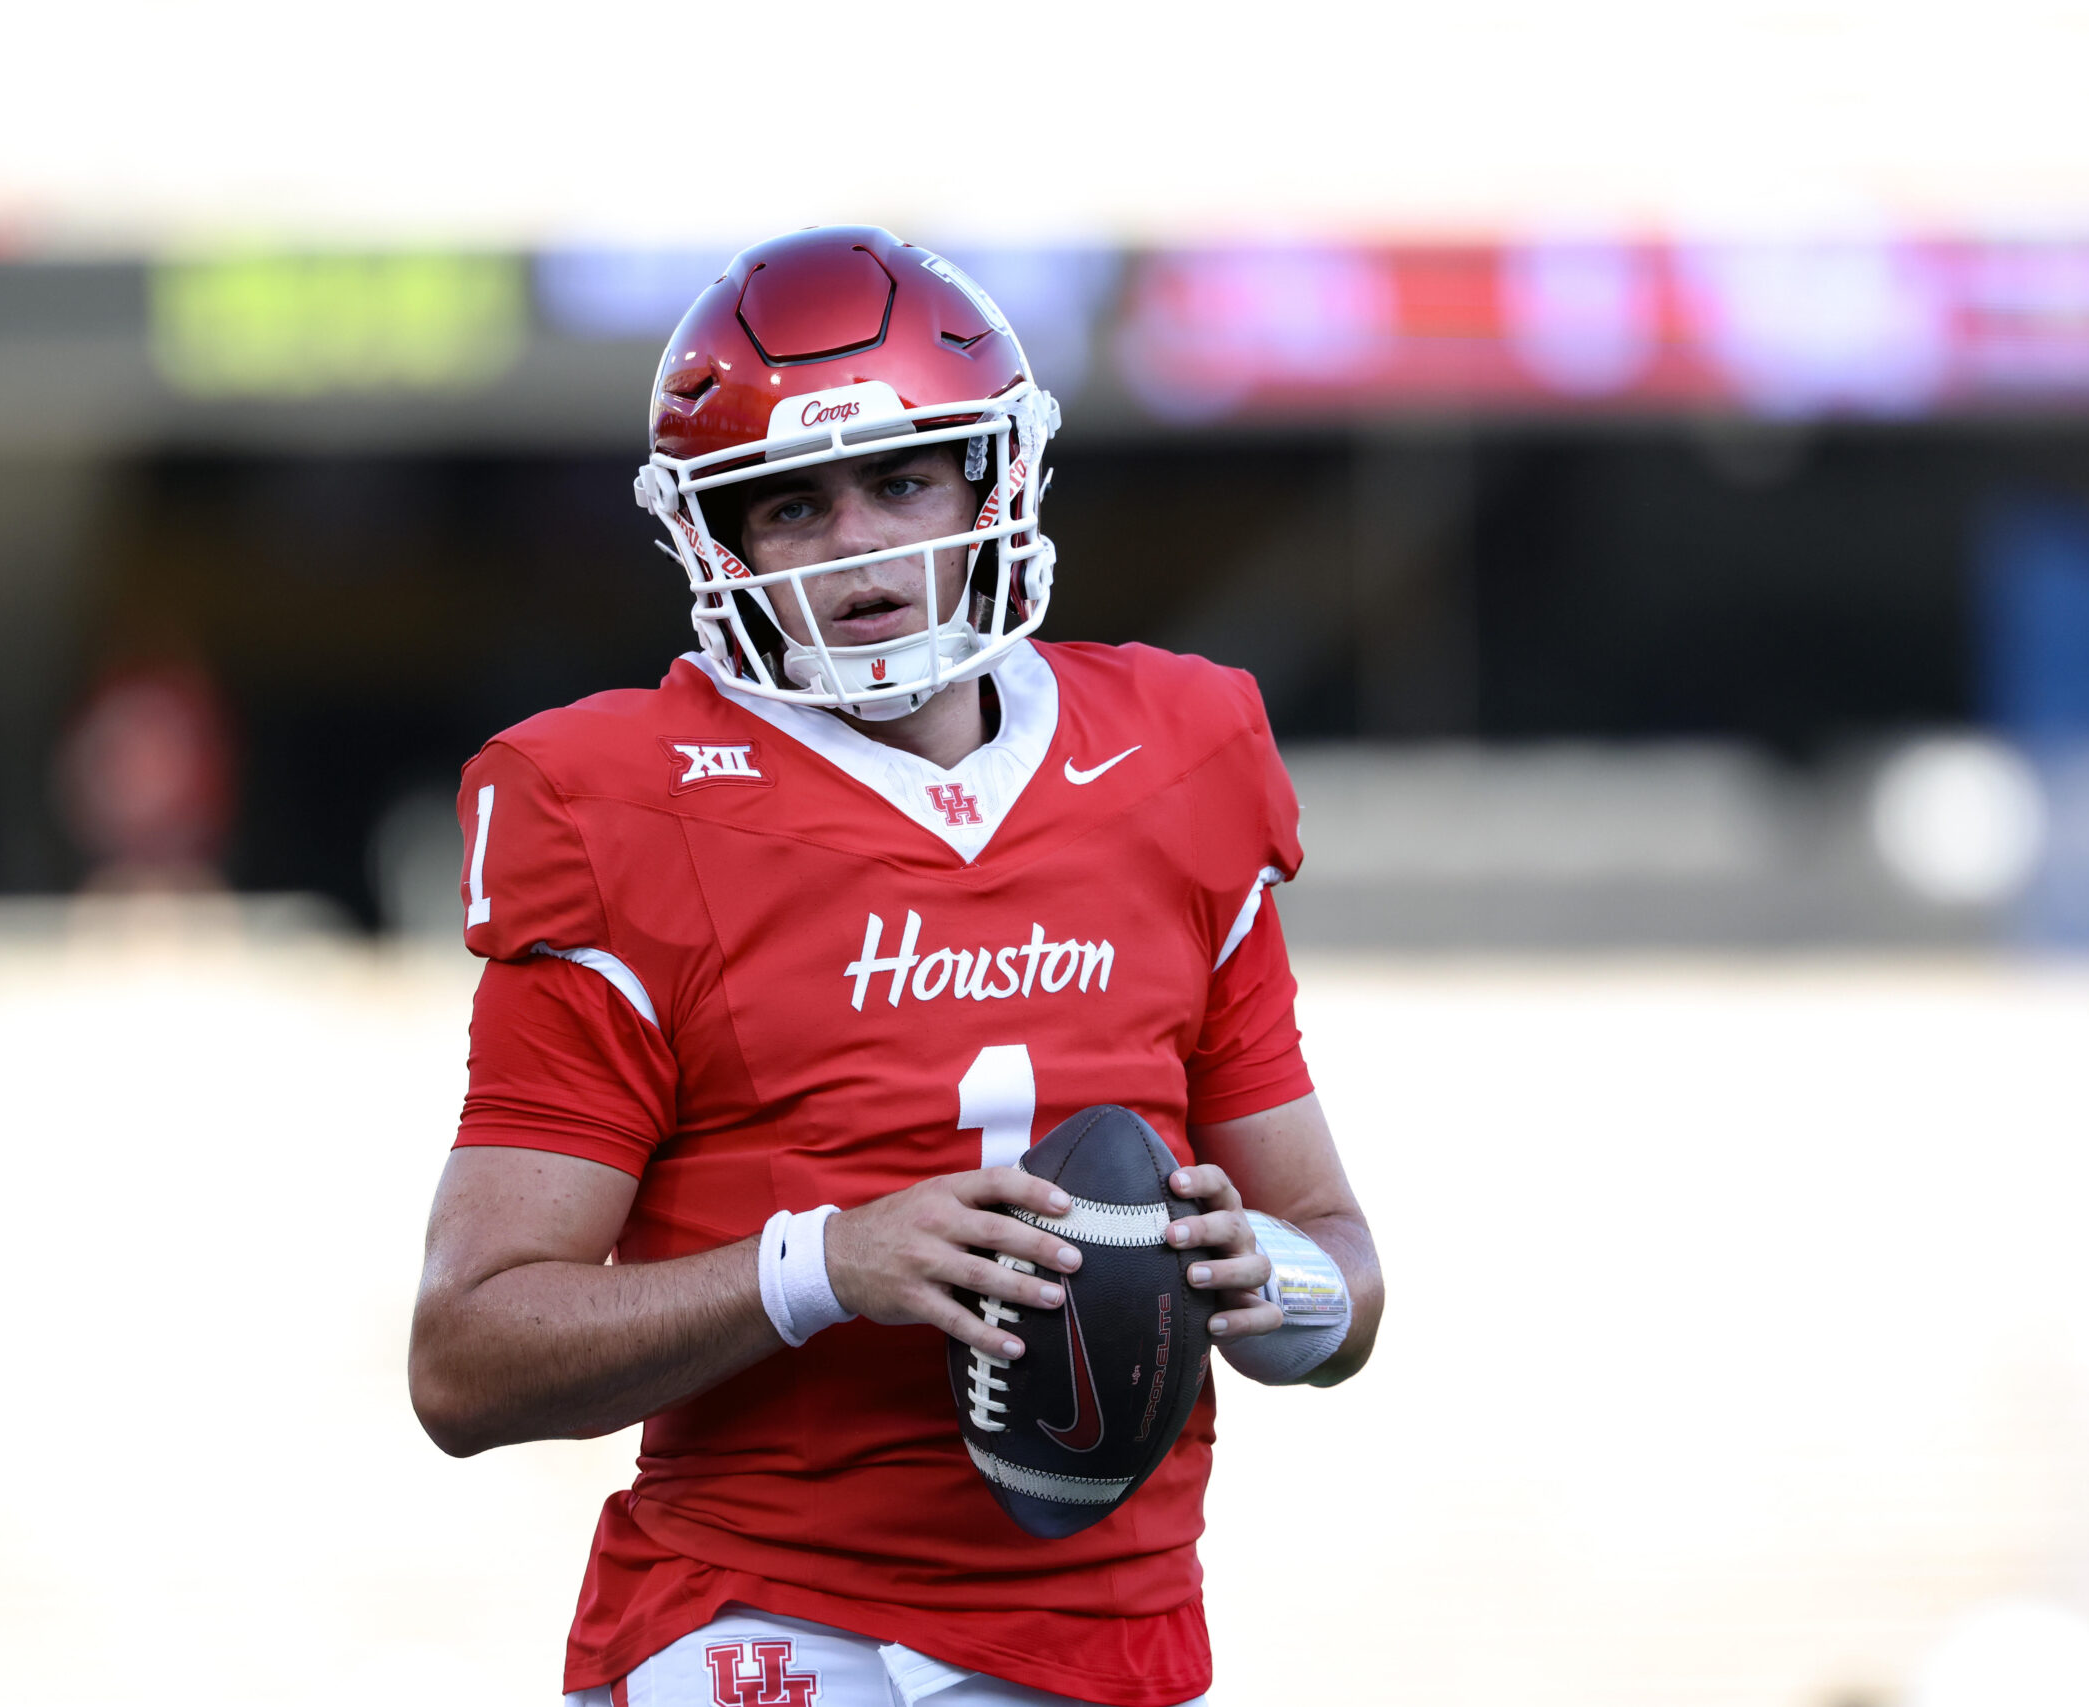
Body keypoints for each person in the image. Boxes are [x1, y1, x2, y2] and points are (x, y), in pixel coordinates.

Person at [408, 226, 1383, 1707]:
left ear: (995, 480)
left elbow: (1341, 1267)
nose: (862, 546)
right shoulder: (608, 800)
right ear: (714, 537)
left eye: (904, 479)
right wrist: (825, 1266)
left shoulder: (1183, 751)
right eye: (791, 503)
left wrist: (1282, 1287)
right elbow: (467, 1356)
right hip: (768, 1625)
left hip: (1112, 1642)